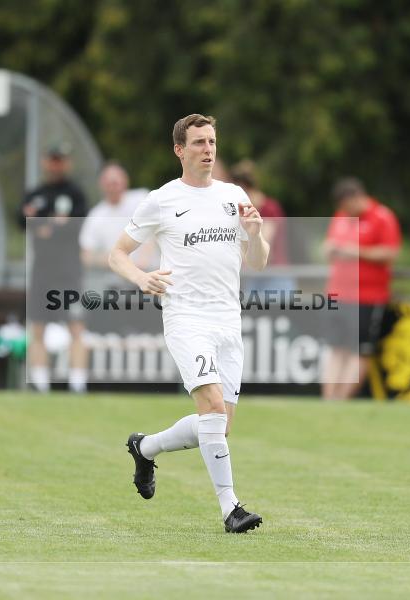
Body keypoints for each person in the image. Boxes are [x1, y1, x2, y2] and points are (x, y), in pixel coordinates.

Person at [109, 114, 267, 533]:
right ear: (180, 150)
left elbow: (258, 261)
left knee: (219, 426)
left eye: (212, 141)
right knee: (212, 408)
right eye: (198, 142)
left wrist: (255, 233)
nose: (208, 149)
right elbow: (117, 254)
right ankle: (231, 508)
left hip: (228, 322)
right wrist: (142, 278)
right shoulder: (162, 199)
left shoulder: (234, 195)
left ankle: (145, 448)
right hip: (187, 319)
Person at [321, 178, 401, 400]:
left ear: (357, 197)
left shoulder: (382, 217)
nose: (345, 211)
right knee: (336, 348)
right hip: (338, 294)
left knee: (359, 351)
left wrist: (355, 252)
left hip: (367, 297)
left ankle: (341, 400)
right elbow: (331, 245)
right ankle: (328, 401)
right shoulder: (340, 216)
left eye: (347, 206)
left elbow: (390, 253)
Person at [19, 143, 89, 393]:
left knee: (76, 326)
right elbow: (22, 220)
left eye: (61, 160)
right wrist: (52, 224)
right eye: (52, 159)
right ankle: (40, 384)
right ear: (45, 162)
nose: (56, 164)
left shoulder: (75, 194)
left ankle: (78, 384)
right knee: (38, 326)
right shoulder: (35, 193)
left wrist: (47, 225)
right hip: (42, 271)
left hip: (69, 271)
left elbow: (75, 224)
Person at [230, 160, 293, 293]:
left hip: (274, 276)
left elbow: (265, 248)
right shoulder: (242, 212)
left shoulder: (269, 209)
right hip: (254, 277)